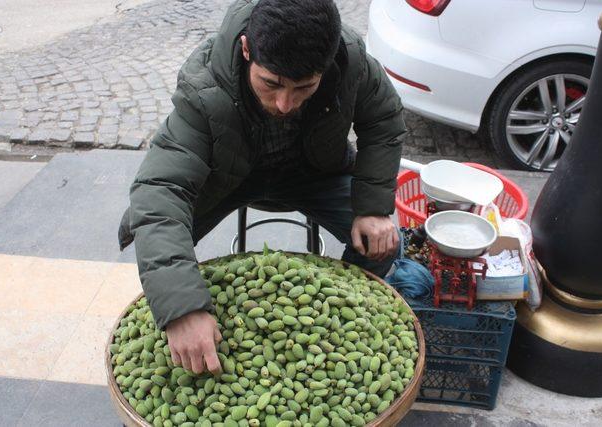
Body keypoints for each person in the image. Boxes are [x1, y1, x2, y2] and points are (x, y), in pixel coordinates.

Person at [118, 0, 406, 377]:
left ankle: (341, 298)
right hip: (231, 178)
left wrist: (372, 207)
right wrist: (182, 307)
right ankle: (186, 320)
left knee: (384, 244)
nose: (285, 104)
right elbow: (160, 189)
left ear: (328, 63)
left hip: (314, 172)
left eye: (305, 87)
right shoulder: (205, 84)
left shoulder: (350, 60)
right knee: (162, 244)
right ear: (246, 49)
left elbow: (384, 119)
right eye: (270, 84)